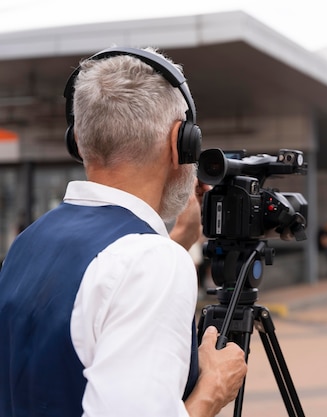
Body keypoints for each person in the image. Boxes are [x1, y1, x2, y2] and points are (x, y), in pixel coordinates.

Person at [0, 47, 247, 417]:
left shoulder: (30, 241)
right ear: (180, 140)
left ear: (78, 140)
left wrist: (175, 241)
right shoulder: (150, 262)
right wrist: (212, 391)